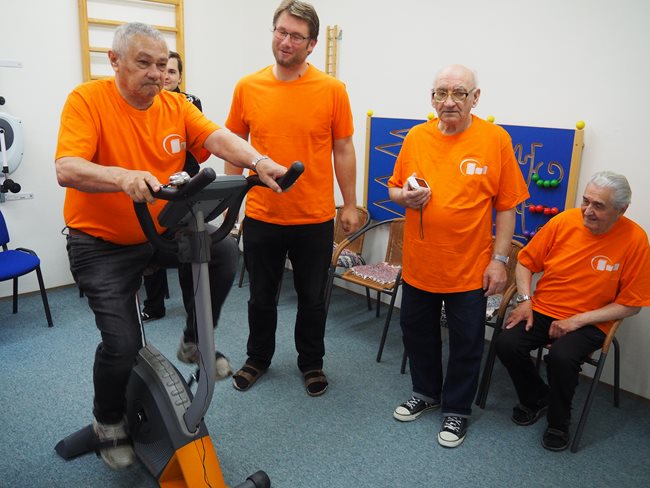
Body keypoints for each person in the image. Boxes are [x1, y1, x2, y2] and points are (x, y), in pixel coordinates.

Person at [55, 22, 287, 470]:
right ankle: (107, 420)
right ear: (114, 61)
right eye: (144, 63)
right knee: (122, 344)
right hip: (100, 244)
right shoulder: (87, 100)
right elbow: (67, 167)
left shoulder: (175, 105)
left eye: (162, 65)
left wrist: (258, 161)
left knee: (222, 251)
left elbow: (216, 137)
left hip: (157, 231)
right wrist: (121, 177)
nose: (156, 74)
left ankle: (193, 341)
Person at [387, 64, 529, 448]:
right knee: (417, 334)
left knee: (466, 342)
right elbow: (394, 189)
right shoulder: (416, 137)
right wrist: (406, 197)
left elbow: (507, 206)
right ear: (432, 98)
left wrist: (499, 260)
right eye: (441, 93)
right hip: (420, 263)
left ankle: (457, 409)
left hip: (470, 267)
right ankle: (426, 392)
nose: (448, 102)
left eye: (459, 93)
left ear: (475, 98)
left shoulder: (495, 140)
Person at [224, 0, 359, 397]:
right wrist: (230, 204)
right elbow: (233, 145)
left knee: (312, 300)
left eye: (296, 36)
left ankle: (311, 363)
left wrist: (350, 204)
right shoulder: (247, 87)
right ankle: (258, 358)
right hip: (262, 214)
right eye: (281, 32)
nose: (286, 42)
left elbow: (344, 149)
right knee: (260, 298)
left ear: (312, 44)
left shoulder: (332, 90)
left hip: (313, 218)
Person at [495, 171, 650, 451]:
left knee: (562, 357)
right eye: (586, 201)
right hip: (543, 308)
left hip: (591, 320)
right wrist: (525, 299)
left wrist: (577, 321)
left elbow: (631, 305)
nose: (588, 211)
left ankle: (559, 422)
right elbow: (526, 262)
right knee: (507, 343)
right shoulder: (563, 222)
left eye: (599, 206)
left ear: (622, 210)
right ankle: (536, 398)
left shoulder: (636, 240)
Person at [140, 50, 202, 322]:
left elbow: (197, 142)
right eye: (163, 70)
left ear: (180, 76)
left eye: (172, 71)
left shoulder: (189, 102)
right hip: (154, 183)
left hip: (184, 182)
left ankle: (194, 310)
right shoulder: (145, 102)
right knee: (149, 244)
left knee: (188, 247)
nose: (166, 76)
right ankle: (154, 305)